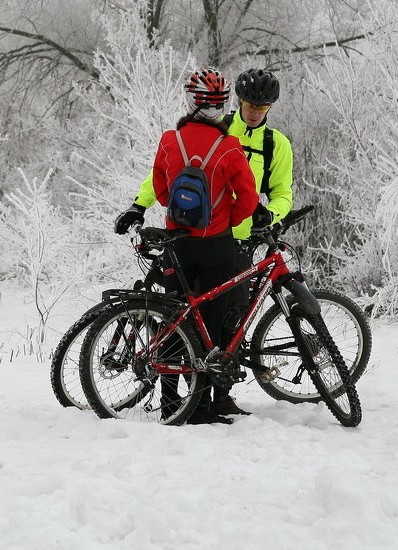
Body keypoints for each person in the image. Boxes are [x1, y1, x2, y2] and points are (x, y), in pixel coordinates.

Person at [115, 68, 294, 418]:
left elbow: (283, 194)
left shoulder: (277, 146)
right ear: (236, 102)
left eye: (264, 105)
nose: (256, 110)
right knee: (191, 321)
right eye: (249, 104)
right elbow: (164, 178)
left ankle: (217, 398)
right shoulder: (221, 134)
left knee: (230, 322)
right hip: (217, 240)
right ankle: (186, 402)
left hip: (238, 241)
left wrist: (268, 215)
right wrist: (139, 203)